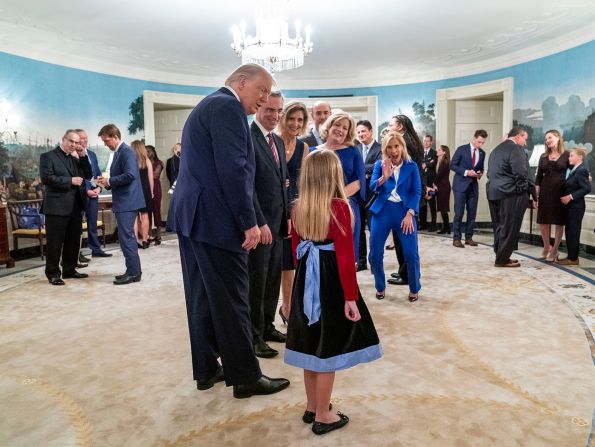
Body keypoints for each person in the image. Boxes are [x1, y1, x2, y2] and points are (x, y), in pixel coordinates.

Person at [167, 63, 289, 398]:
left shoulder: (209, 105)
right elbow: (234, 169)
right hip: (216, 221)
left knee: (203, 296)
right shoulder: (227, 106)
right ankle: (246, 377)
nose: (263, 99)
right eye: (261, 91)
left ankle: (206, 369)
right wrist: (249, 221)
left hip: (195, 219)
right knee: (234, 298)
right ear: (241, 82)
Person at [284, 149, 382, 435]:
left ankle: (312, 405)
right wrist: (351, 297)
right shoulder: (340, 207)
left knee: (310, 345)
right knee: (328, 348)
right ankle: (324, 414)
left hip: (305, 280)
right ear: (334, 176)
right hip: (330, 283)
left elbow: (296, 251)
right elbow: (345, 258)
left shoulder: (297, 208)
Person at [248, 91, 289, 358]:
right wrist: (259, 222)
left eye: (279, 111)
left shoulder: (278, 141)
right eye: (270, 110)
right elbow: (246, 186)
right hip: (259, 225)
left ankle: (267, 326)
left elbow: (283, 184)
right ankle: (253, 336)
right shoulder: (247, 138)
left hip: (278, 225)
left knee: (273, 278)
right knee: (257, 282)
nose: (274, 116)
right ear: (259, 107)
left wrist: (286, 218)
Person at [368, 131, 422, 302]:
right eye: (390, 147)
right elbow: (372, 187)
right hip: (382, 211)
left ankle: (414, 288)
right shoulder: (380, 164)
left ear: (402, 147)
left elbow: (416, 191)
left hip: (404, 213)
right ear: (385, 149)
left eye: (396, 146)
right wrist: (385, 177)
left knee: (411, 254)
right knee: (375, 253)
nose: (394, 150)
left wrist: (410, 213)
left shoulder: (411, 166)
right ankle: (380, 287)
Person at [39, 129, 92, 285]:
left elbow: (88, 174)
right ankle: (53, 273)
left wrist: (82, 155)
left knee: (73, 240)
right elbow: (47, 178)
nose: (74, 145)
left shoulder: (76, 159)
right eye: (71, 141)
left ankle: (69, 270)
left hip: (75, 207)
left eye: (76, 142)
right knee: (55, 242)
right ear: (63, 139)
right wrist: (70, 181)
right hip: (56, 206)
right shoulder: (48, 156)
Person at [312, 112, 365, 262]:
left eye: (345, 128)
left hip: (346, 206)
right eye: (337, 125)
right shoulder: (311, 151)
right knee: (323, 254)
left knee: (345, 257)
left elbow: (359, 181)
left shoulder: (353, 151)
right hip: (319, 208)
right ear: (329, 125)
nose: (340, 130)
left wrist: (335, 199)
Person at [96, 124, 145, 284]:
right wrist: (107, 183)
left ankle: (133, 273)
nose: (106, 144)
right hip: (125, 201)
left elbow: (130, 175)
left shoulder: (126, 152)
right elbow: (124, 176)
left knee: (127, 238)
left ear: (115, 137)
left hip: (127, 202)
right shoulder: (119, 152)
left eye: (106, 140)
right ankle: (133, 270)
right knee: (126, 238)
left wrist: (109, 180)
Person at [276, 100, 310, 325]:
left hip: (295, 208)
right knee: (272, 263)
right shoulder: (273, 142)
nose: (295, 123)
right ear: (283, 118)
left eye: (300, 120)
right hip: (273, 207)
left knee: (290, 261)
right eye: (292, 118)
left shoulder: (304, 148)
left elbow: (303, 182)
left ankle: (287, 307)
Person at [486, 127, 537, 268]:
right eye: (525, 139)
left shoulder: (496, 149)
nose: (525, 143)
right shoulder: (516, 149)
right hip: (510, 194)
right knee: (510, 227)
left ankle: (501, 255)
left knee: (499, 226)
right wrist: (522, 192)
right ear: (518, 136)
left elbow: (490, 173)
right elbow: (522, 173)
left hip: (493, 192)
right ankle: (502, 259)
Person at [385, 115, 424, 286]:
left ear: (400, 126)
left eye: (391, 124)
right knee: (404, 239)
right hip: (408, 197)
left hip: (404, 199)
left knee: (403, 239)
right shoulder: (412, 140)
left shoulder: (404, 144)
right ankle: (405, 271)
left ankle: (407, 275)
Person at [76, 128, 112, 258]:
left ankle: (96, 250)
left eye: (86, 138)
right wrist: (86, 191)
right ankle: (76, 253)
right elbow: (76, 177)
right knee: (77, 225)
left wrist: (99, 188)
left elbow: (97, 174)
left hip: (94, 194)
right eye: (82, 138)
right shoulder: (73, 155)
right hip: (80, 196)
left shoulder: (92, 154)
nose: (84, 140)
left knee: (92, 223)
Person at [535, 130, 569, 262]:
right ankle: (546, 247)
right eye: (546, 139)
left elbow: (575, 171)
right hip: (545, 193)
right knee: (544, 222)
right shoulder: (543, 156)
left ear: (558, 138)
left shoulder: (567, 155)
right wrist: (536, 196)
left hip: (561, 193)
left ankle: (554, 250)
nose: (547, 140)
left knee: (559, 222)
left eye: (550, 137)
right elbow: (538, 179)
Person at [450, 129, 487, 248]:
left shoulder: (482, 153)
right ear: (474, 138)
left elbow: (480, 168)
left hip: (473, 187)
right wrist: (466, 172)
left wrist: (480, 173)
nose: (480, 144)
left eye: (482, 142)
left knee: (472, 213)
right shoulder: (462, 149)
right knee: (459, 213)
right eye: (479, 142)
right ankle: (456, 238)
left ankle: (469, 237)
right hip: (460, 185)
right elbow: (452, 165)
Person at [355, 119, 382, 271]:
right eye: (358, 132)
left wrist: (361, 170)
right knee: (358, 230)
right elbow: (353, 168)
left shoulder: (380, 148)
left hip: (374, 197)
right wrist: (366, 172)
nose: (361, 134)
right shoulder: (356, 148)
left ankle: (375, 262)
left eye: (363, 131)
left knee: (374, 231)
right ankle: (361, 261)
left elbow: (379, 165)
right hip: (358, 197)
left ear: (371, 132)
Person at [558, 148, 591, 266]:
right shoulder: (574, 170)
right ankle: (571, 256)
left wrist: (570, 197)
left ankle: (573, 259)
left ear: (580, 158)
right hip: (571, 207)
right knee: (570, 231)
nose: (569, 158)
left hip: (576, 207)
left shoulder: (581, 170)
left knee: (574, 232)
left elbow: (587, 188)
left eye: (571, 156)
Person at [130, 140, 154, 249]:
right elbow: (151, 180)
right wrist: (152, 192)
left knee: (134, 217)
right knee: (145, 216)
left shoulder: (130, 161)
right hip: (145, 191)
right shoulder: (146, 161)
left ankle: (134, 241)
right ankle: (145, 240)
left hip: (133, 191)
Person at [146, 145, 164, 245]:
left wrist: (145, 173)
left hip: (156, 189)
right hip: (146, 190)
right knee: (147, 213)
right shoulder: (144, 163)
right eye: (145, 152)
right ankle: (148, 235)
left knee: (156, 211)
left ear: (153, 152)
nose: (147, 153)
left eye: (148, 151)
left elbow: (155, 175)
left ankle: (158, 235)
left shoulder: (159, 163)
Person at [419, 134, 438, 231]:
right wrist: (427, 163)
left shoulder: (434, 153)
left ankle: (433, 225)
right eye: (424, 141)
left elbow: (432, 164)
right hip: (422, 183)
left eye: (427, 141)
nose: (425, 143)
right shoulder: (419, 152)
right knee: (423, 204)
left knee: (432, 205)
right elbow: (419, 165)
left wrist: (425, 164)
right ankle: (423, 224)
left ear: (431, 142)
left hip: (431, 183)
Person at [433, 145, 452, 234]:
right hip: (442, 187)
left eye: (440, 150)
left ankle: (446, 228)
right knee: (442, 208)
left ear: (444, 152)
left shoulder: (444, 162)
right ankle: (447, 228)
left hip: (444, 188)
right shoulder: (441, 161)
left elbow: (439, 175)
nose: (438, 150)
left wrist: (434, 183)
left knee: (443, 208)